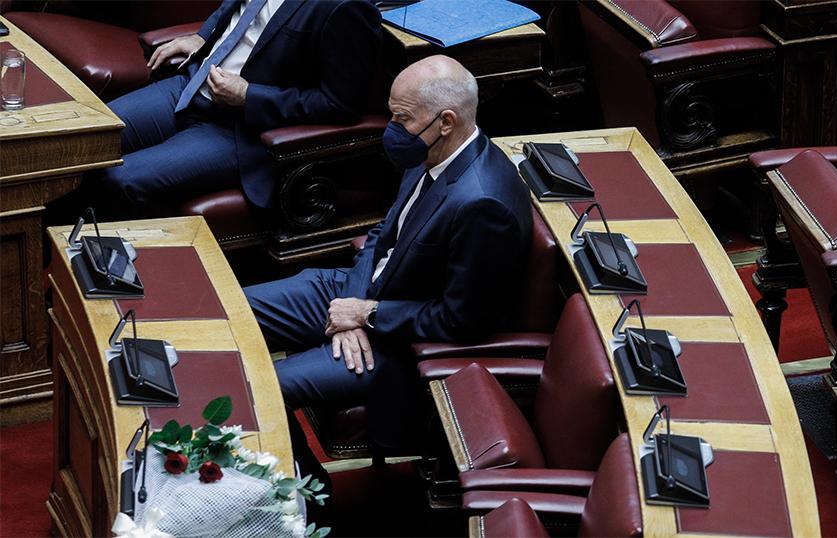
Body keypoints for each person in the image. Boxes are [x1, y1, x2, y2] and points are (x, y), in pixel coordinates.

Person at [244, 55, 533, 469]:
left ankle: (305, 498)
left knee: (260, 389)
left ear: (446, 121)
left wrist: (367, 315)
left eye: (402, 118)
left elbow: (462, 322)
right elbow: (383, 234)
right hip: (359, 287)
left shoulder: (483, 204)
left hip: (399, 342)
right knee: (229, 315)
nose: (392, 128)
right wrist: (352, 304)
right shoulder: (430, 152)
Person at [51, 0, 381, 222]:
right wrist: (203, 36)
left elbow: (339, 104)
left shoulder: (347, 7)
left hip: (238, 128)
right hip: (189, 89)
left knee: (121, 180)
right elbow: (238, 10)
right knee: (80, 141)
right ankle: (35, 260)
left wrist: (249, 97)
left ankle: (85, 279)